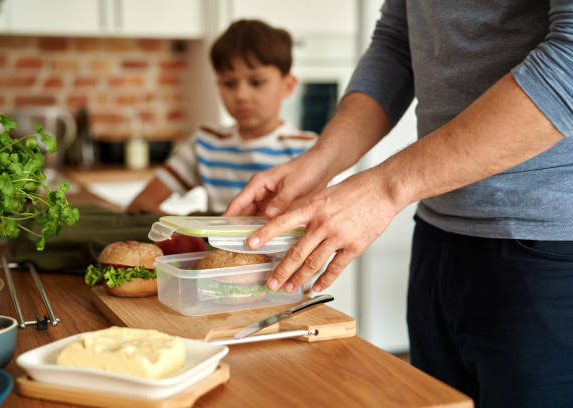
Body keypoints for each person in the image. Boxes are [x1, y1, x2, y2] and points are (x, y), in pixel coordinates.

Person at [224, 1, 573, 407]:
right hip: (437, 233)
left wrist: (385, 188)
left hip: (547, 248)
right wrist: (321, 160)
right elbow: (397, 44)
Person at [127, 19, 317, 215]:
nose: (241, 95)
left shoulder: (308, 151)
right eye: (229, 84)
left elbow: (315, 219)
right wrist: (186, 230)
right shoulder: (205, 143)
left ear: (287, 86)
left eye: (256, 82)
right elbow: (141, 205)